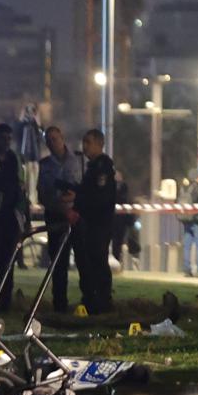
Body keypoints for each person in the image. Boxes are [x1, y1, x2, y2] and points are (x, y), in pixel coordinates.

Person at [36, 125, 83, 310]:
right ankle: (60, 303)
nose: (52, 143)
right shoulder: (45, 165)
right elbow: (42, 195)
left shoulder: (79, 161)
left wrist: (76, 198)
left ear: (62, 137)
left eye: (55, 138)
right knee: (58, 262)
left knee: (83, 259)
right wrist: (61, 206)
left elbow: (85, 187)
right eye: (49, 140)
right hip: (56, 216)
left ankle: (89, 301)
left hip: (78, 215)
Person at [74, 129, 117, 315]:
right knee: (88, 261)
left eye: (88, 142)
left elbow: (99, 197)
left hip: (99, 222)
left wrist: (81, 199)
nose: (84, 146)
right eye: (84, 142)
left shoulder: (102, 166)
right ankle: (92, 299)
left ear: (99, 144)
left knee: (98, 260)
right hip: (90, 222)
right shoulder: (92, 166)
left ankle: (102, 300)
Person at [0, 123, 24, 310]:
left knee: (8, 262)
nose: (6, 142)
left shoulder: (13, 159)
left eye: (9, 138)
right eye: (3, 138)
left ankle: (5, 300)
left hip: (9, 216)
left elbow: (17, 185)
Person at [180, 173, 198, 277]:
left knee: (187, 244)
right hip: (197, 219)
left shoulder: (184, 187)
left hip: (185, 219)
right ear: (197, 177)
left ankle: (187, 270)